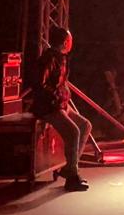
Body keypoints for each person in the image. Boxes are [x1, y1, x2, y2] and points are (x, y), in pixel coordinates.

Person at [33, 25, 92, 191]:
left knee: (85, 125)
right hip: (49, 107)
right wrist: (56, 97)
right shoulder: (49, 59)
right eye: (70, 40)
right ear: (65, 42)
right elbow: (39, 84)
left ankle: (70, 168)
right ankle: (72, 178)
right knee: (73, 132)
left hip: (60, 105)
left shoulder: (60, 58)